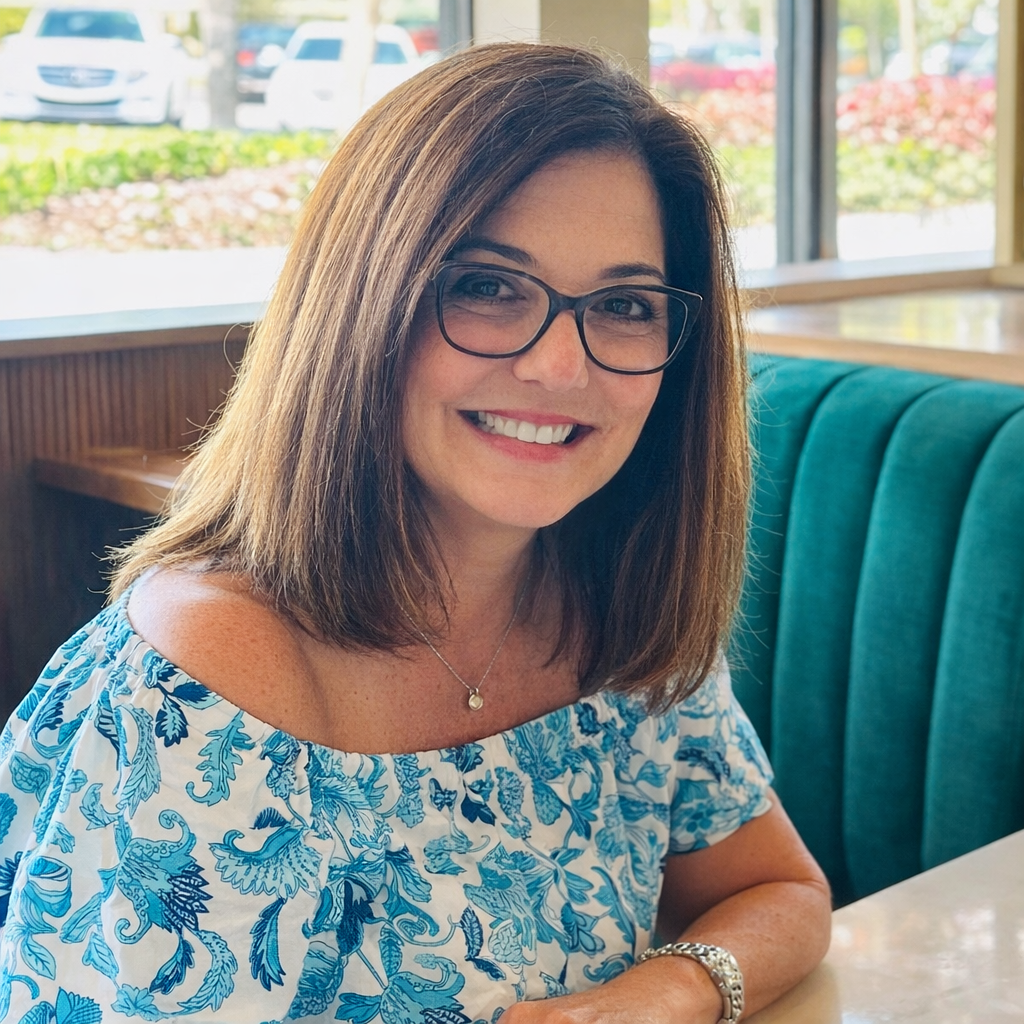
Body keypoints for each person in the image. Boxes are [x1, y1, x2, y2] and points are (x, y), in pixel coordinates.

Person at [0, 43, 830, 1024]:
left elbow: (781, 890)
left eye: (623, 306)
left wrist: (664, 991)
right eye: (487, 285)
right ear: (360, 305)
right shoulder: (200, 678)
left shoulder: (621, 613)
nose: (560, 368)